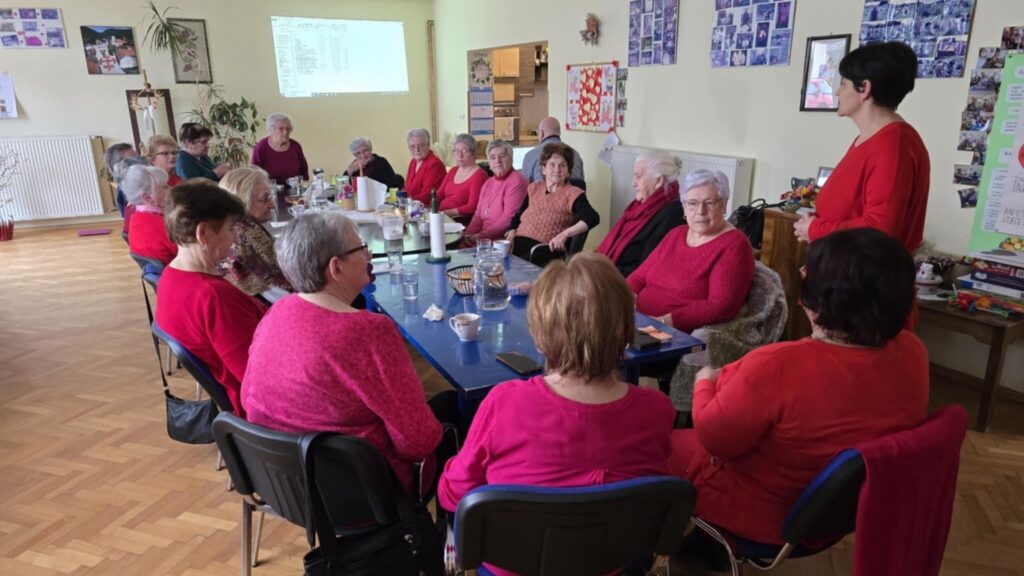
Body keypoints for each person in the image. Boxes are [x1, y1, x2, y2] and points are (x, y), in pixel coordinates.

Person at [668, 228, 928, 545]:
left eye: (809, 272)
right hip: (840, 512)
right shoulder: (913, 351)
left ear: (817, 299)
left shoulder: (779, 364)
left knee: (655, 443)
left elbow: (714, 439)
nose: (802, 274)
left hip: (767, 514)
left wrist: (705, 381)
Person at [438, 253, 675, 542]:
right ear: (628, 332)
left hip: (512, 562)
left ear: (539, 337)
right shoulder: (657, 409)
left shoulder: (504, 403)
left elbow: (453, 493)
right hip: (613, 558)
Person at [243, 212, 445, 492]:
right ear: (336, 267)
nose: (369, 255)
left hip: (284, 483)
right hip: (360, 490)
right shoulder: (368, 331)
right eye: (361, 248)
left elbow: (248, 398)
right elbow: (418, 441)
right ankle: (449, 530)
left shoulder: (277, 312)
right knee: (457, 416)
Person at [793, 42, 930, 253]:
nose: (838, 92)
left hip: (864, 279)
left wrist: (816, 229)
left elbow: (880, 228)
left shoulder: (893, 144)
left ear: (864, 88)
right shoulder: (870, 138)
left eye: (844, 84)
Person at [156, 181, 267, 417]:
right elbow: (259, 379)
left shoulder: (170, 276)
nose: (235, 237)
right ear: (203, 233)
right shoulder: (213, 297)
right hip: (260, 410)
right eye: (230, 229)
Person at [627, 169, 753, 333]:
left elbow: (721, 306)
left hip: (673, 333)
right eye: (692, 203)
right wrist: (625, 299)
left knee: (600, 352)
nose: (700, 211)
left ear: (724, 204)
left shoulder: (734, 245)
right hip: (639, 320)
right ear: (684, 207)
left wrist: (663, 322)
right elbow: (639, 276)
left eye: (710, 203)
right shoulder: (676, 234)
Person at [506, 143, 599, 267]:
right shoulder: (534, 187)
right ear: (544, 169)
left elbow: (592, 217)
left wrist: (564, 234)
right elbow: (519, 215)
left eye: (562, 165)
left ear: (568, 172)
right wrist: (511, 233)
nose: (557, 169)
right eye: (552, 164)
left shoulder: (573, 193)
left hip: (541, 250)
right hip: (517, 245)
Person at [597, 150, 686, 277]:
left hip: (624, 285)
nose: (633, 183)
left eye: (638, 176)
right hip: (611, 273)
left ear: (658, 181)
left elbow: (646, 269)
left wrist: (603, 272)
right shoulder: (642, 206)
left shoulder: (672, 214)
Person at [219, 167, 291, 297]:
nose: (272, 205)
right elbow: (274, 294)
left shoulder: (246, 226)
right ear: (242, 201)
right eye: (265, 198)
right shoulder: (243, 237)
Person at [464, 139, 528, 242]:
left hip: (500, 241)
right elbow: (478, 216)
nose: (497, 161)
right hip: (482, 239)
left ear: (511, 159)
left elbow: (508, 220)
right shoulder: (488, 183)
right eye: (493, 157)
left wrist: (480, 237)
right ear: (489, 162)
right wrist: (467, 236)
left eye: (502, 156)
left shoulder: (517, 181)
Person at [124, 165, 177, 265]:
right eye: (165, 187)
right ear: (148, 198)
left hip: (165, 276)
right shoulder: (165, 226)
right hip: (181, 275)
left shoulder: (136, 218)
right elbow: (197, 254)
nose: (171, 188)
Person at [436, 133, 488, 219]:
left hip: (457, 219)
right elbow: (438, 195)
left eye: (464, 151)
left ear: (474, 154)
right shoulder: (453, 170)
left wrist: (447, 213)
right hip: (441, 216)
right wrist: (431, 210)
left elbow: (472, 207)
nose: (460, 155)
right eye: (456, 151)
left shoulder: (479, 176)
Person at [520, 117, 585, 183]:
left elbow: (523, 187)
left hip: (545, 192)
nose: (557, 170)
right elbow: (581, 184)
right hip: (574, 192)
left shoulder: (531, 155)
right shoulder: (575, 154)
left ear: (541, 133)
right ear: (559, 133)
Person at [250, 113, 309, 185]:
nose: (285, 132)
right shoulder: (261, 147)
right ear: (271, 129)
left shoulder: (295, 146)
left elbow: (304, 171)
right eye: (281, 128)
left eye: (288, 128)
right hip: (269, 191)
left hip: (294, 191)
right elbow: (254, 173)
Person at [404, 128, 446, 204]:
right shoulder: (414, 161)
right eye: (412, 146)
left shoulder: (434, 164)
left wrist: (407, 201)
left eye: (421, 145)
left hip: (427, 209)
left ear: (428, 145)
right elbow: (407, 189)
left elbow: (427, 196)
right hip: (412, 206)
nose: (416, 149)